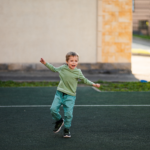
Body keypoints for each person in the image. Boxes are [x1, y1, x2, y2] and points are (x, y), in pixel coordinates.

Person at [40, 52, 100, 138]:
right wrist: (45, 63)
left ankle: (66, 129)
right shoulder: (63, 68)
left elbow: (85, 80)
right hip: (59, 93)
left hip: (70, 96)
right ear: (67, 61)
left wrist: (93, 84)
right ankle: (59, 121)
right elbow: (54, 69)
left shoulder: (78, 72)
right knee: (53, 109)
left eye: (76, 61)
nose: (74, 63)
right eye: (71, 61)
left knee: (69, 114)